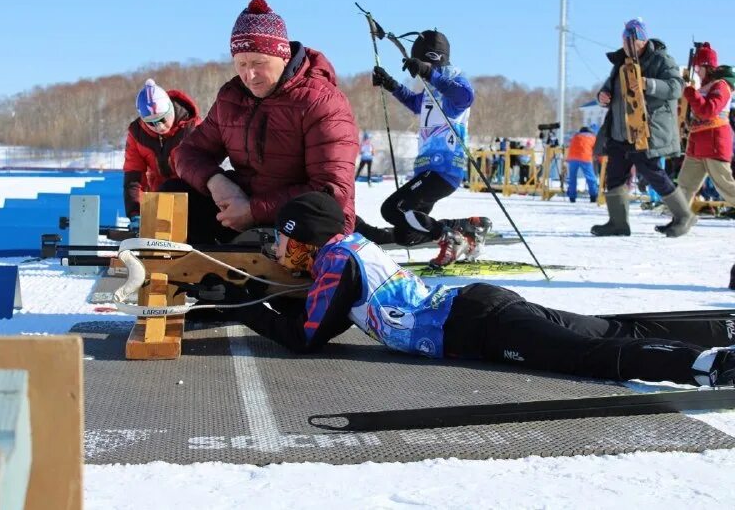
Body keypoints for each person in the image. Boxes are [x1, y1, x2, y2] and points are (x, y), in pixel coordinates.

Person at [208, 191, 735, 387]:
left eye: (282, 239)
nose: (277, 249)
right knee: (608, 328)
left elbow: (305, 337)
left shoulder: (335, 265)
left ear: (306, 241)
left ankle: (702, 365)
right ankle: (720, 327)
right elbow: (315, 309)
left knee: (588, 353)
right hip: (476, 306)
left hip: (476, 324)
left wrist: (240, 304)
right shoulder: (345, 252)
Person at [172, 0, 358, 244]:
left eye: (259, 63)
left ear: (283, 56)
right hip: (242, 211)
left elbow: (331, 190)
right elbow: (187, 153)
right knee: (175, 192)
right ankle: (187, 273)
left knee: (316, 208)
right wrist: (216, 182)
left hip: (301, 222)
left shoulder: (322, 101)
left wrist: (253, 210)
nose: (249, 75)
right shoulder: (231, 98)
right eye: (241, 64)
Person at [354, 29, 490, 268]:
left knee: (393, 209)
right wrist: (391, 84)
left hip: (444, 168)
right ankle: (466, 227)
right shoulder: (433, 88)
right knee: (407, 234)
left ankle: (448, 236)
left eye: (422, 63)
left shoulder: (453, 80)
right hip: (427, 169)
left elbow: (464, 97)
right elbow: (417, 104)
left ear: (432, 58)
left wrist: (429, 73)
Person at [592, 18, 695, 238]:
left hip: (645, 130)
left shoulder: (661, 59)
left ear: (642, 40)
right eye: (625, 42)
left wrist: (649, 84)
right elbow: (609, 88)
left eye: (632, 42)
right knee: (615, 175)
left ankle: (683, 215)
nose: (628, 47)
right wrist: (603, 96)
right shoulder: (621, 62)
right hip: (619, 131)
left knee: (652, 172)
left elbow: (677, 87)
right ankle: (618, 223)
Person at [664, 45, 735, 232]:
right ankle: (680, 220)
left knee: (726, 187)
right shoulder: (702, 86)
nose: (697, 71)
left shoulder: (721, 85)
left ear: (707, 66)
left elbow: (709, 110)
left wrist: (691, 94)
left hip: (714, 143)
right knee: (685, 185)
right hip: (697, 144)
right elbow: (693, 111)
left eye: (699, 68)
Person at [123, 79, 202, 229]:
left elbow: (202, 170)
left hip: (191, 196)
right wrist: (135, 212)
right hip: (158, 199)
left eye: (162, 119)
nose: (159, 126)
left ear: (170, 109)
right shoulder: (136, 134)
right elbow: (134, 176)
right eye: (151, 123)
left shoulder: (192, 128)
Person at [565, 127, 599, 203]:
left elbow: (570, 145)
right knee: (590, 178)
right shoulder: (593, 137)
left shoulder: (575, 136)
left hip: (572, 157)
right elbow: (597, 149)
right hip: (585, 157)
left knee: (572, 177)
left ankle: (572, 197)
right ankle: (593, 196)